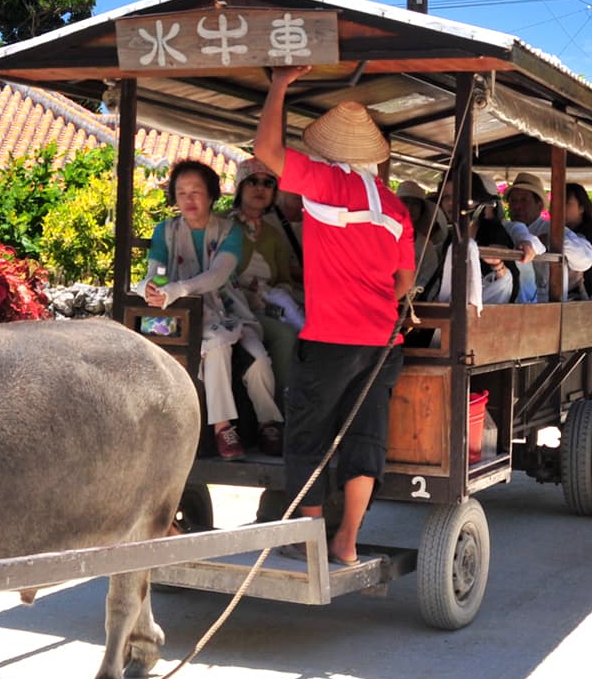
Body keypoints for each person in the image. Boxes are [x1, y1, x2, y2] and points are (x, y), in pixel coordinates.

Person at [255, 65, 415, 566]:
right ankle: (346, 540)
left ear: (329, 151)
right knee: (364, 436)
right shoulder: (395, 208)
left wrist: (279, 86)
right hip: (381, 342)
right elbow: (403, 282)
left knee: (308, 435)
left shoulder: (323, 183)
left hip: (329, 341)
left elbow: (267, 153)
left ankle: (307, 538)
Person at [141, 160, 284, 459]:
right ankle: (222, 428)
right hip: (180, 314)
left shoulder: (229, 231)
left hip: (227, 309)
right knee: (217, 346)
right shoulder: (165, 231)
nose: (189, 199)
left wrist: (177, 288)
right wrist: (153, 288)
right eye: (181, 193)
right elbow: (156, 272)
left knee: (258, 358)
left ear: (211, 196)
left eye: (196, 192)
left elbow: (219, 274)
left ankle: (268, 421)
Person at [225, 157, 305, 395]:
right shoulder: (221, 223)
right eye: (253, 182)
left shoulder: (273, 233)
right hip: (228, 306)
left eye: (268, 183)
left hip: (263, 308)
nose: (260, 188)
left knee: (286, 335)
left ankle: (280, 408)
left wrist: (272, 296)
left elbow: (283, 279)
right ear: (240, 186)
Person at [502, 172, 592, 301]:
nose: (517, 206)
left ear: (539, 205)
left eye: (524, 200)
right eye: (513, 200)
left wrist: (552, 240)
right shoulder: (505, 229)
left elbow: (586, 258)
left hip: (549, 308)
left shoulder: (552, 229)